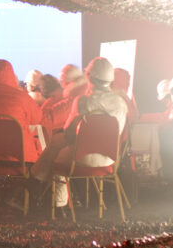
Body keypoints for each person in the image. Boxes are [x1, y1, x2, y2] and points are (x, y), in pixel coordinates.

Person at [31, 56, 128, 218]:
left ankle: (51, 198)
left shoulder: (82, 102)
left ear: (89, 77)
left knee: (57, 157)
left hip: (81, 159)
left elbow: (69, 135)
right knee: (58, 148)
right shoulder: (121, 103)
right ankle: (37, 183)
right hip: (109, 160)